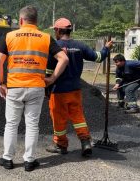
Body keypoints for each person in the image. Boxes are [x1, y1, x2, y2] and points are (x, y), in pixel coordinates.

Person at [0, 6, 68, 172]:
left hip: (14, 86)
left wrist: (0, 83)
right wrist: (53, 78)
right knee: (32, 125)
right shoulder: (45, 37)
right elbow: (63, 58)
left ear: (21, 20)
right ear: (36, 21)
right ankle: (29, 160)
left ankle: (7, 158)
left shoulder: (10, 36)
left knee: (11, 124)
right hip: (36, 87)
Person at [45, 18, 113, 157]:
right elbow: (98, 57)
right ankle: (85, 142)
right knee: (78, 116)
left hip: (58, 90)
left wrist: (47, 89)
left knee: (59, 118)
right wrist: (106, 48)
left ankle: (61, 145)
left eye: (55, 30)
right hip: (75, 89)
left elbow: (49, 71)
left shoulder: (53, 46)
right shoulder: (80, 46)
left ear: (58, 30)